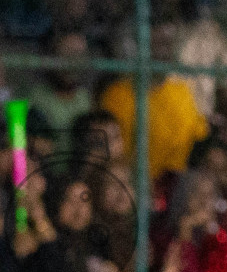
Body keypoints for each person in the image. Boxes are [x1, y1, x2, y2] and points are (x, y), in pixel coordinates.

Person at [98, 21, 209, 183]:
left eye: (168, 45)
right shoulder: (117, 95)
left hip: (175, 188)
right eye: (157, 45)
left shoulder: (182, 91)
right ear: (139, 47)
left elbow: (198, 139)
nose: (164, 53)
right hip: (131, 185)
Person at [24, 30, 96, 133]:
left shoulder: (85, 100)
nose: (72, 63)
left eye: (79, 55)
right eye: (66, 55)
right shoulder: (36, 98)